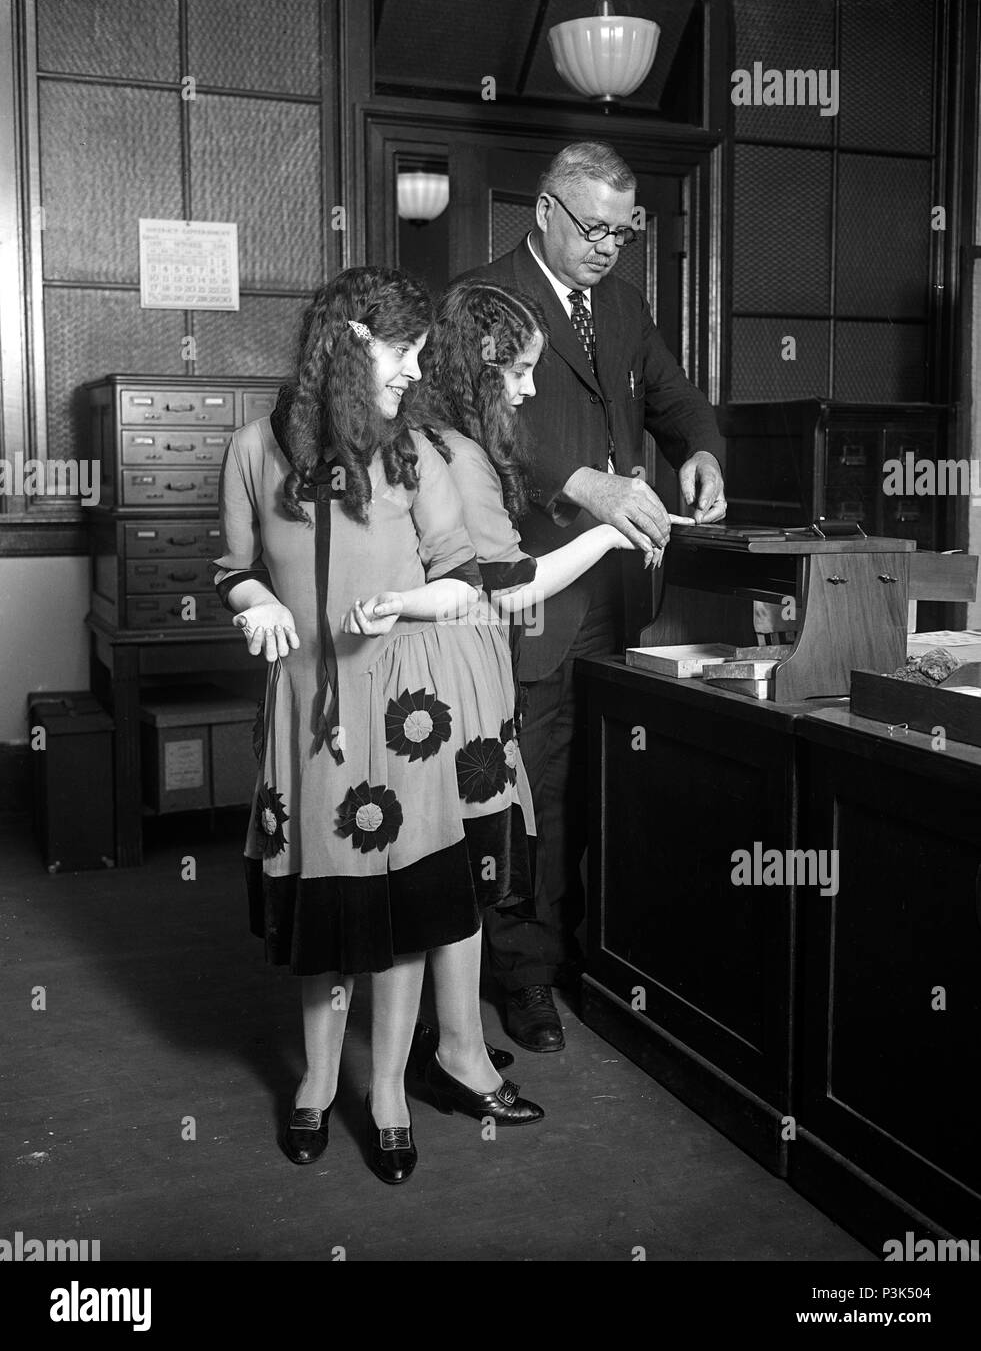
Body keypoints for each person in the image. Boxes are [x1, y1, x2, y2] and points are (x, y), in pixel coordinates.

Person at [213, 267, 543, 1187]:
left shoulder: (414, 455)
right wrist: (252, 605)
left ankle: (391, 1093)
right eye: (402, 352)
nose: (414, 370)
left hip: (403, 719)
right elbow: (234, 567)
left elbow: (464, 577)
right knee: (328, 915)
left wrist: (404, 604)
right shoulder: (253, 449)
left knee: (401, 915)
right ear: (353, 344)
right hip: (305, 718)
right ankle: (317, 1084)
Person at [460, 141, 727, 1052]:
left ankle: (595, 952)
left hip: (621, 592)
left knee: (611, 777)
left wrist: (699, 450)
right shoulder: (484, 298)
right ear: (543, 210)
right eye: (592, 227)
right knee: (531, 785)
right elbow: (478, 426)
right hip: (529, 589)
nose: (608, 246)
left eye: (623, 229)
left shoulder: (620, 302)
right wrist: (586, 484)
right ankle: (524, 975)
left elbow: (675, 399)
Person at [407, 279, 650, 1063]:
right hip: (459, 669)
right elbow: (510, 587)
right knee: (473, 839)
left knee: (429, 843)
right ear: (480, 369)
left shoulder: (415, 433)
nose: (530, 388)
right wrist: (609, 533)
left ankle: (427, 1039)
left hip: (415, 673)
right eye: (516, 373)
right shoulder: (462, 453)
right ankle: (457, 1045)